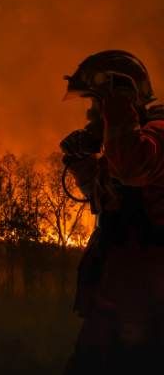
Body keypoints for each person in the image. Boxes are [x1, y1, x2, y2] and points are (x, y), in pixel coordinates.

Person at [61, 50, 164, 372]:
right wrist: (79, 162)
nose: (92, 113)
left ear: (121, 97)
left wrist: (117, 109)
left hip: (148, 305)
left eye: (97, 103)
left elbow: (133, 169)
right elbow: (106, 199)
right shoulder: (125, 142)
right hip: (114, 299)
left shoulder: (158, 132)